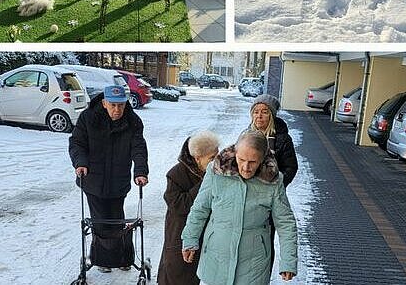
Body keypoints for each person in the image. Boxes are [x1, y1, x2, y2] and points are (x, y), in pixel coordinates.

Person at [181, 131, 298, 285]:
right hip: (216, 257)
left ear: (262, 159)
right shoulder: (216, 171)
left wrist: (288, 260)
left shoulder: (273, 180)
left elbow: (285, 223)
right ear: (235, 153)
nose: (246, 167)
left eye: (253, 162)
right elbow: (200, 208)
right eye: (241, 159)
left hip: (254, 263)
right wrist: (190, 239)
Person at [69, 85, 149, 273]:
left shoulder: (133, 121)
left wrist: (140, 171)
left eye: (121, 105)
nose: (117, 110)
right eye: (113, 105)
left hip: (118, 181)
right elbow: (77, 143)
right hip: (92, 181)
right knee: (99, 222)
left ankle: (121, 257)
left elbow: (138, 147)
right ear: (104, 103)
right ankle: (103, 259)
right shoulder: (88, 118)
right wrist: (80, 162)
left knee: (117, 219)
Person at [157, 131, 220, 285]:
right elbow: (178, 205)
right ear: (197, 158)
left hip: (203, 232)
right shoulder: (175, 174)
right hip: (179, 232)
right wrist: (205, 184)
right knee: (176, 272)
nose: (216, 161)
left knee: (194, 274)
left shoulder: (215, 172)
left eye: (217, 155)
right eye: (212, 158)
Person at [245, 94, 298, 271]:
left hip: (271, 200)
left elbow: (291, 167)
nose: (259, 116)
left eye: (264, 112)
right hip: (248, 197)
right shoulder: (246, 136)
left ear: (272, 116)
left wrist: (276, 185)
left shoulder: (282, 139)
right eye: (256, 112)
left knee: (265, 241)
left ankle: (262, 274)